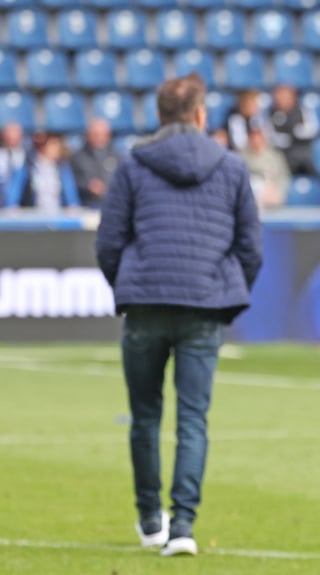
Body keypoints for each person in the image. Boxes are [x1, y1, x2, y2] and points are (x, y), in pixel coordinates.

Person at [95, 73, 262, 557]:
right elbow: (251, 245)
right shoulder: (230, 167)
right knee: (194, 419)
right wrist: (226, 292)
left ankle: (151, 519)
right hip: (203, 305)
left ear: (161, 114)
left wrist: (128, 284)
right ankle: (184, 526)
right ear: (201, 114)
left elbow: (109, 241)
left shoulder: (133, 165)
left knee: (145, 416)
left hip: (145, 306)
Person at [4, 133, 79, 211]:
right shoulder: (26, 169)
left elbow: (71, 196)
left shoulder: (63, 169)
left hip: (58, 214)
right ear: (43, 146)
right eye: (53, 144)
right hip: (33, 215)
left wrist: (73, 207)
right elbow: (13, 195)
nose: (58, 148)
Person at [266, 84, 319, 175]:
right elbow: (268, 135)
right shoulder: (269, 114)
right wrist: (284, 138)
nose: (281, 100)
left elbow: (312, 129)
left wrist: (294, 132)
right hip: (280, 152)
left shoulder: (302, 111)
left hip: (301, 149)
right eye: (279, 96)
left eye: (285, 96)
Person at [71, 118, 122, 208]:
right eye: (96, 135)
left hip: (113, 205)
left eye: (103, 135)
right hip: (86, 206)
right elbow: (71, 182)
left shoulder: (117, 157)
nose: (100, 138)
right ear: (87, 135)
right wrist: (87, 186)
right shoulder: (77, 157)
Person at [239, 126, 289, 210]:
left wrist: (278, 190)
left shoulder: (275, 156)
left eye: (259, 137)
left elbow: (284, 176)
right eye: (253, 137)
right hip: (251, 194)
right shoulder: (242, 156)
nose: (256, 140)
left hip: (272, 192)